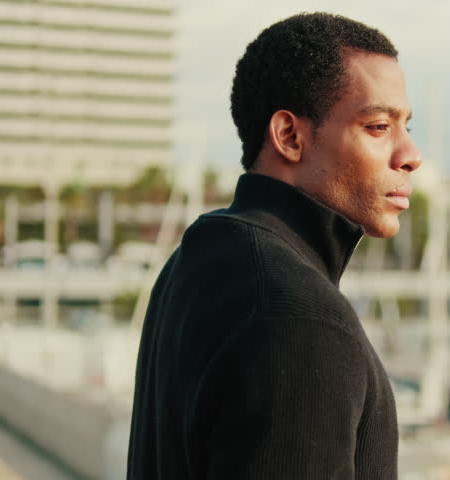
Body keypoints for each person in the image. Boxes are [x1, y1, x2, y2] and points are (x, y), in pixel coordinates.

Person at [127, 12, 421, 479]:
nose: (410, 156)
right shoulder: (300, 317)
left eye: (407, 126)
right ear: (289, 136)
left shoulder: (195, 261)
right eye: (378, 126)